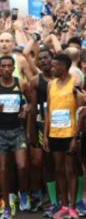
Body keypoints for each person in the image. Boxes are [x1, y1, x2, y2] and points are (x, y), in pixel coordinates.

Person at [0, 55, 30, 219]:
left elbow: (31, 103)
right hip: (0, 132)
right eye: (2, 66)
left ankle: (22, 192)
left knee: (22, 165)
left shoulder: (21, 83)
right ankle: (6, 206)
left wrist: (25, 110)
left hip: (17, 130)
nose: (5, 69)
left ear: (13, 67)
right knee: (2, 169)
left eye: (9, 66)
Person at [44, 54, 81, 219]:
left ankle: (73, 206)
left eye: (55, 66)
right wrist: (45, 135)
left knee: (71, 169)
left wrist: (76, 137)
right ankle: (64, 205)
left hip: (70, 132)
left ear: (64, 67)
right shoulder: (51, 84)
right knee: (58, 169)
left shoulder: (75, 83)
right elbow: (48, 111)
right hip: (54, 133)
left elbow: (81, 112)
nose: (52, 69)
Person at [27, 48, 58, 215]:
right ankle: (43, 197)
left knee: (58, 162)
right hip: (40, 124)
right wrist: (30, 130)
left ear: (53, 59)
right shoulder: (35, 81)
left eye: (47, 58)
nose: (44, 61)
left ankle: (58, 198)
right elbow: (32, 108)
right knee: (41, 162)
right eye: (41, 59)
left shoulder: (61, 79)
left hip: (60, 125)